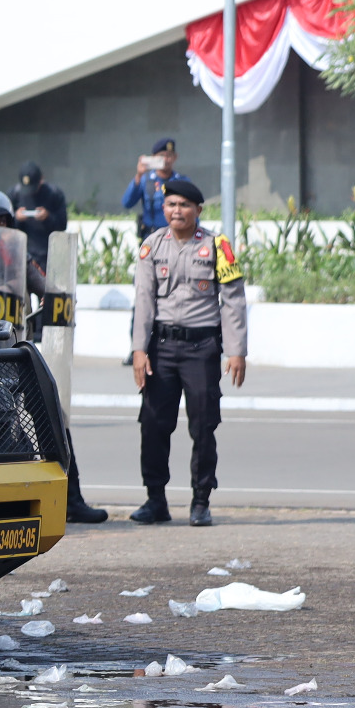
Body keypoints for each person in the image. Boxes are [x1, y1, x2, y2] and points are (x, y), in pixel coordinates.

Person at [0, 190, 107, 525]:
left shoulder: (18, 257)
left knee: (53, 416)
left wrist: (54, 300)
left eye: (3, 221)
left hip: (16, 354)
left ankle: (71, 499)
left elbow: (48, 290)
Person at [129, 176, 247, 527]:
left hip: (202, 347)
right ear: (163, 208)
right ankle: (155, 500)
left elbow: (233, 301)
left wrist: (236, 350)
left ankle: (200, 501)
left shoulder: (217, 246)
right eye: (171, 205)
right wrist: (138, 349)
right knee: (152, 423)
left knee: (203, 425)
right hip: (161, 347)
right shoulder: (152, 245)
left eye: (183, 205)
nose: (176, 211)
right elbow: (143, 301)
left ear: (198, 210)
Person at [120, 138, 184, 235]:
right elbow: (127, 203)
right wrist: (138, 176)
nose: (166, 160)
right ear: (154, 157)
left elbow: (192, 212)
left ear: (175, 157)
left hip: (175, 236)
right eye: (161, 156)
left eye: (169, 156)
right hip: (151, 237)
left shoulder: (182, 181)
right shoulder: (145, 180)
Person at [13, 161, 68, 267]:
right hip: (21, 254)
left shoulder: (54, 194)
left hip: (47, 255)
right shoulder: (15, 194)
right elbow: (6, 227)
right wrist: (17, 218)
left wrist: (47, 217)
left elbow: (62, 225)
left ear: (41, 180)